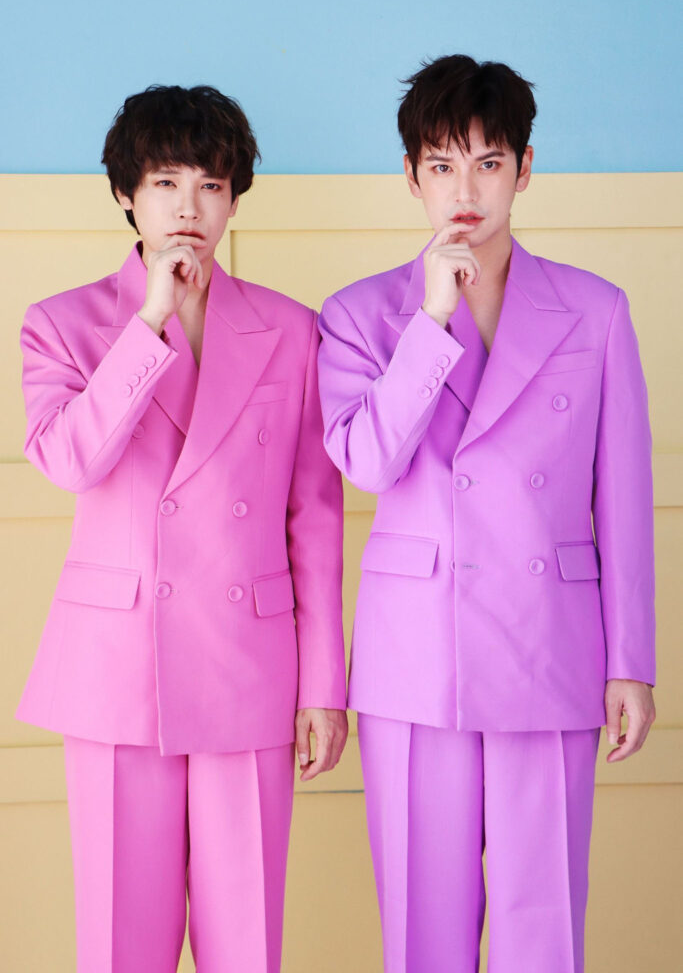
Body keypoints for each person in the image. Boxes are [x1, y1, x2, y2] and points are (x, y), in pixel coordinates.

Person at [317, 55, 656, 973]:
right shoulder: (358, 316)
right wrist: (429, 321)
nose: (464, 192)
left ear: (525, 168)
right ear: (410, 176)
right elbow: (366, 462)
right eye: (441, 166)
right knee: (421, 929)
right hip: (414, 658)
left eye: (488, 163)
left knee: (542, 924)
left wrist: (630, 662)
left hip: (550, 646)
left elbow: (623, 498)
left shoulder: (595, 310)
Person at [16, 84, 347, 973]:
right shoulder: (60, 325)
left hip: (250, 666)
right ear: (126, 193)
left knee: (247, 942)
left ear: (234, 198)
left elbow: (314, 519)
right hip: (118, 671)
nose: (189, 208)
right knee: (120, 942)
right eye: (166, 183)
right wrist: (150, 320)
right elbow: (68, 461)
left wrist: (323, 686)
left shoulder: (291, 330)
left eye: (211, 185)